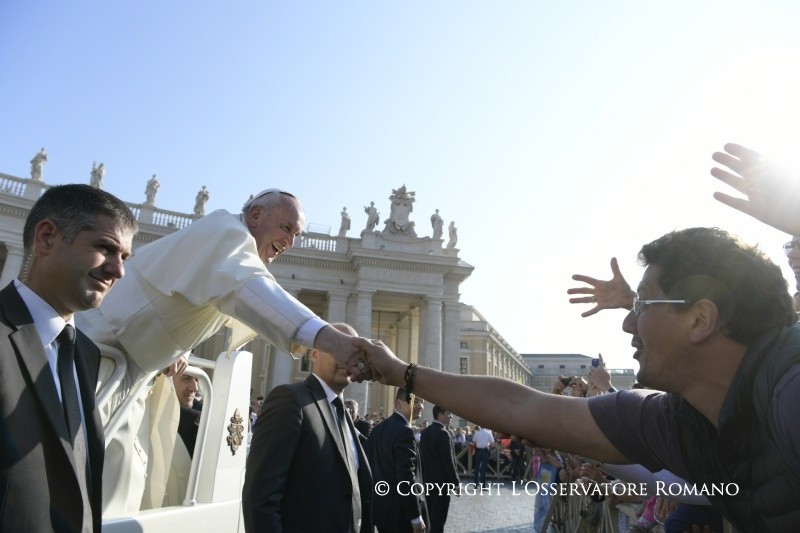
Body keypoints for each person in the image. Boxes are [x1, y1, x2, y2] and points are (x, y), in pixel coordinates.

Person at [357, 224, 800, 531]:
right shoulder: (671, 421)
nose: (628, 323)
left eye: (642, 307)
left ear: (700, 319)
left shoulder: (790, 391)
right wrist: (399, 371)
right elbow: (525, 408)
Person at [77, 188, 371, 515]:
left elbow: (177, 304)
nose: (291, 242)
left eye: (297, 234)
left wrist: (177, 347)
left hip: (128, 369)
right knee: (89, 485)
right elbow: (249, 290)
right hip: (100, 362)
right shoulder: (225, 232)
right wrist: (330, 339)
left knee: (118, 487)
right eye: (286, 228)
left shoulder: (230, 245)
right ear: (256, 215)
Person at [0, 184, 137, 532]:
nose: (118, 270)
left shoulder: (85, 353)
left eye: (125, 257)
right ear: (46, 238)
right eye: (106, 248)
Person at [243, 323, 372, 532]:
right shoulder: (290, 400)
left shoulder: (343, 412)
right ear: (313, 355)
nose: (346, 359)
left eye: (353, 353)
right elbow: (260, 497)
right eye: (337, 349)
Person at [367, 388, 428, 533]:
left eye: (422, 402)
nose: (421, 406)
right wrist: (415, 516)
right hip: (401, 514)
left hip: (381, 511)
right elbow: (406, 476)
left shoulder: (377, 430)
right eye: (416, 401)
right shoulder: (404, 430)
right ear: (399, 404)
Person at [419, 405, 459, 533]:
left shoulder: (425, 433)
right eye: (448, 414)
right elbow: (448, 461)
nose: (451, 416)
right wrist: (456, 482)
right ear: (440, 415)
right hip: (441, 483)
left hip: (426, 482)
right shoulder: (443, 433)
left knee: (428, 516)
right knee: (438, 519)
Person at [173, 371, 201, 457]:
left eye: (196, 379)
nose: (195, 388)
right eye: (185, 379)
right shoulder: (194, 419)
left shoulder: (206, 413)